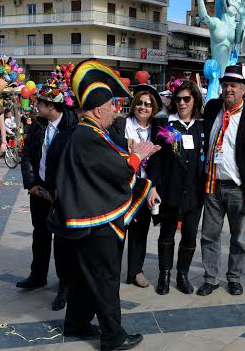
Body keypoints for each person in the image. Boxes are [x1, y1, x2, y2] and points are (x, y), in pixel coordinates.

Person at [54, 60, 160, 351]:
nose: (117, 110)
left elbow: (112, 169)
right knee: (105, 279)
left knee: (84, 278)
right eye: (113, 105)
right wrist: (138, 155)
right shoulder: (88, 135)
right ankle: (113, 336)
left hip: (89, 219)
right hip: (95, 221)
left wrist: (145, 185)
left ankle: (75, 323)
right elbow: (120, 170)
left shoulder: (91, 133)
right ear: (99, 109)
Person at [197, 63, 245, 297]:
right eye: (226, 84)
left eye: (234, 86)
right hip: (212, 184)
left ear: (243, 89)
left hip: (239, 188)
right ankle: (210, 278)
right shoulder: (212, 108)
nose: (228, 89)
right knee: (209, 235)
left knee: (239, 239)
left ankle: (234, 277)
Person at [18, 84, 78, 311]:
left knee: (62, 240)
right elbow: (26, 153)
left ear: (51, 106)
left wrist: (61, 190)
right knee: (40, 233)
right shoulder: (37, 126)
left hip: (62, 192)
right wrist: (31, 183)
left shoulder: (71, 127)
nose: (35, 107)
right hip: (39, 189)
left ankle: (65, 285)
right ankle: (37, 274)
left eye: (39, 104)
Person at [147, 80, 205, 295]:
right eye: (178, 99)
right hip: (169, 189)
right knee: (167, 233)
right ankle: (164, 275)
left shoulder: (202, 126)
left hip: (193, 191)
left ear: (194, 101)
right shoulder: (164, 125)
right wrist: (153, 186)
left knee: (189, 236)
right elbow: (155, 159)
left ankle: (182, 275)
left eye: (186, 99)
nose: (181, 103)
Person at [111, 83, 163, 289]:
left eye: (148, 105)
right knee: (117, 231)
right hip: (123, 184)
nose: (143, 107)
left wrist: (154, 185)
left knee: (140, 232)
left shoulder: (158, 129)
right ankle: (112, 272)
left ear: (154, 108)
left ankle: (136, 272)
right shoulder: (122, 124)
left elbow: (159, 159)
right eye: (140, 103)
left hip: (145, 187)